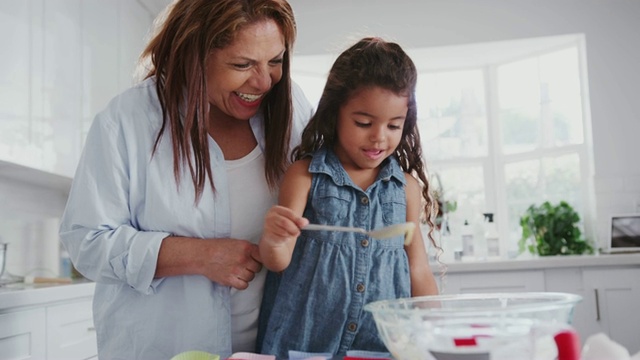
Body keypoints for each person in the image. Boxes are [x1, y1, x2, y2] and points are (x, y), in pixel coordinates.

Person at [58, 0, 313, 359]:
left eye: (275, 61)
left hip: (264, 349)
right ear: (195, 56)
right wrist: (199, 256)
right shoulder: (127, 121)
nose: (263, 81)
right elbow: (87, 242)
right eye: (242, 65)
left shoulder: (293, 110)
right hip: (160, 348)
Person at [256, 37, 440, 359]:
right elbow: (278, 260)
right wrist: (273, 239)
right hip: (305, 344)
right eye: (363, 123)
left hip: (381, 346)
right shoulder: (304, 176)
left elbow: (419, 271)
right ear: (335, 113)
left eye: (394, 126)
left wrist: (435, 332)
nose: (379, 137)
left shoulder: (406, 188)